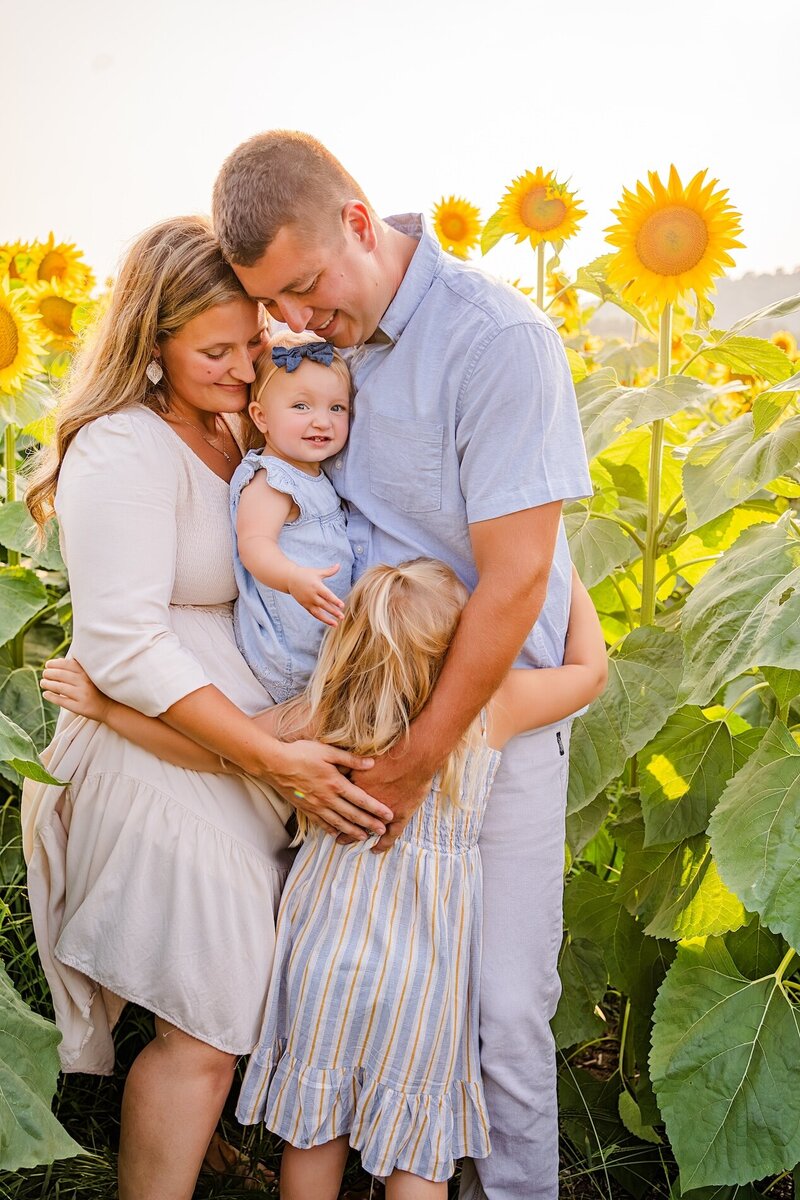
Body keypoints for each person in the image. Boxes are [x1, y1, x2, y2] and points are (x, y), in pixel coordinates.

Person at [212, 131, 594, 1200]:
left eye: (304, 288)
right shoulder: (319, 355)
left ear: (360, 221)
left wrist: (425, 753)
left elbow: (517, 577)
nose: (295, 318)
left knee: (500, 1007)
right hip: (361, 707)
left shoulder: (494, 342)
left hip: (487, 726)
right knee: (360, 989)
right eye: (274, 303)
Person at [22, 215, 392, 1200]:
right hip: (157, 754)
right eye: (213, 351)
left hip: (235, 752)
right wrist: (265, 754)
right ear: (151, 344)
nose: (239, 368)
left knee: (228, 991)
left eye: (251, 344)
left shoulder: (242, 427)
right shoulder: (121, 449)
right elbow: (127, 644)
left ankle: (200, 1148)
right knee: (211, 1013)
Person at [41, 558, 607, 1200]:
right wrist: (560, 571)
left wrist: (106, 711)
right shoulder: (489, 711)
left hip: (323, 954)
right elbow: (590, 672)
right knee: (416, 1141)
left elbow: (210, 752)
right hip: (424, 968)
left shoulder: (323, 713)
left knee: (315, 1128)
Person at [230, 329, 354, 704]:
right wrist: (291, 577)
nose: (322, 421)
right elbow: (254, 544)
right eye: (301, 407)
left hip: (320, 642)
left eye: (337, 408)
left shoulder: (315, 473)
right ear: (261, 417)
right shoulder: (272, 479)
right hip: (288, 653)